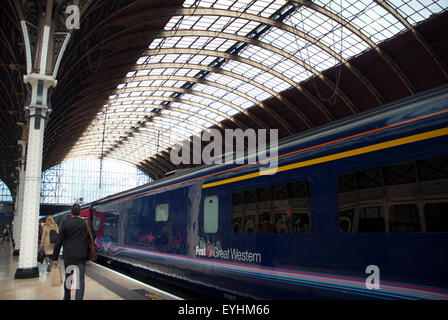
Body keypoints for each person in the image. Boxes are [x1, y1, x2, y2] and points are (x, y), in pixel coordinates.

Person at [52, 203, 96, 300]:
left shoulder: (65, 223)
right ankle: (78, 298)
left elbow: (59, 241)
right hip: (81, 256)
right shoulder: (86, 222)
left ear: (71, 212)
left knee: (69, 277)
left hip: (69, 256)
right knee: (80, 279)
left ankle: (67, 297)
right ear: (80, 212)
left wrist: (55, 257)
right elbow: (93, 236)